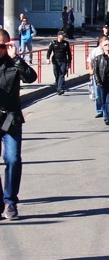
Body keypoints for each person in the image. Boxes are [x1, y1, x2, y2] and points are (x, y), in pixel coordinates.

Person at [0, 29, 37, 220]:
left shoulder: (13, 64)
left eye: (1, 46)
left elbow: (31, 77)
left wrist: (17, 59)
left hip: (10, 119)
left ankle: (10, 202)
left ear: (8, 46)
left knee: (13, 159)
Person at [90, 38, 109, 125]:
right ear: (102, 47)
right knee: (102, 100)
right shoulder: (98, 58)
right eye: (105, 45)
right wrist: (98, 81)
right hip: (102, 82)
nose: (108, 46)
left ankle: (107, 117)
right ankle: (105, 113)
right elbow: (96, 71)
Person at [46, 31, 71, 95]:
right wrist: (48, 59)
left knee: (62, 74)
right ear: (58, 36)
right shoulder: (53, 43)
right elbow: (49, 51)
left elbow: (69, 53)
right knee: (56, 74)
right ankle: (58, 86)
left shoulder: (66, 43)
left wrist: (69, 62)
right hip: (55, 61)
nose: (63, 36)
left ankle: (60, 89)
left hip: (63, 61)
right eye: (62, 35)